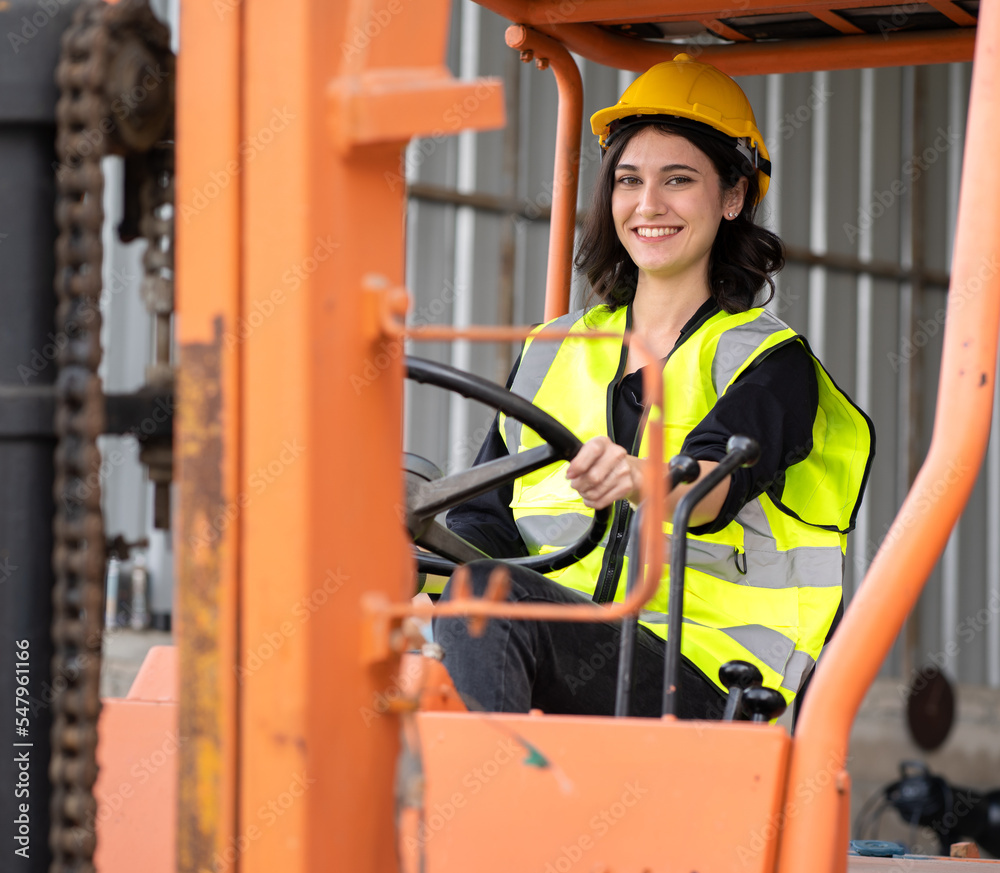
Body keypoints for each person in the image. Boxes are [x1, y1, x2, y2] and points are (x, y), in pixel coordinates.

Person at [431, 54, 874, 720]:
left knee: (484, 598)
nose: (648, 204)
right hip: (567, 647)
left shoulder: (770, 363)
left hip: (699, 673)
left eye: (678, 180)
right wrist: (430, 591)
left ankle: (489, 808)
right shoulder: (554, 349)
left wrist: (641, 477)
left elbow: (712, 488)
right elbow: (484, 520)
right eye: (629, 180)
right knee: (429, 616)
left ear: (733, 196)